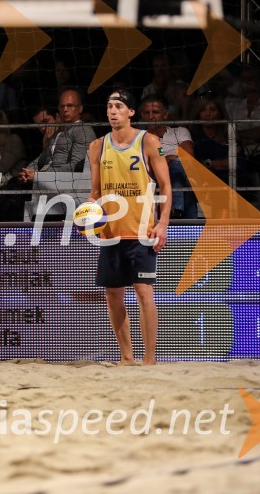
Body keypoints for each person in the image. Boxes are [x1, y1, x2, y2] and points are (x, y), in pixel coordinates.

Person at [88, 89, 171, 366]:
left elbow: (166, 186)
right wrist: (87, 217)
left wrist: (162, 223)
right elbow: (95, 193)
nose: (113, 111)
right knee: (113, 293)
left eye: (119, 106)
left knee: (143, 291)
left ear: (131, 112)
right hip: (110, 232)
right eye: (109, 106)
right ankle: (126, 357)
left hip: (142, 231)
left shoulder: (148, 141)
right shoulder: (97, 146)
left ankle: (150, 359)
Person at [18, 89, 96, 180]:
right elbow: (41, 159)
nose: (65, 109)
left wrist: (41, 175)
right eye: (62, 106)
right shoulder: (57, 133)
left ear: (80, 108)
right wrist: (27, 171)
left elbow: (77, 166)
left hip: (66, 183)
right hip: (47, 180)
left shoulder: (83, 130)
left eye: (70, 106)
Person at [140, 95, 197, 218]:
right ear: (142, 115)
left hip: (179, 175)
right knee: (177, 167)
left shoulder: (179, 131)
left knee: (177, 170)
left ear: (165, 114)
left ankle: (176, 209)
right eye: (146, 112)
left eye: (155, 112)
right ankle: (182, 215)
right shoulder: (138, 138)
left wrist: (162, 160)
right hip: (152, 177)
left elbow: (188, 157)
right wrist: (167, 159)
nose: (151, 117)